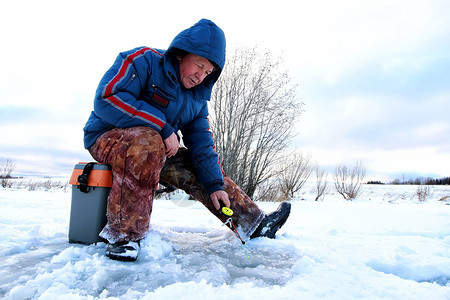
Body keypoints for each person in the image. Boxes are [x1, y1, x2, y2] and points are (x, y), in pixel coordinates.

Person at [83, 19, 291, 261]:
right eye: (199, 65)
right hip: (107, 138)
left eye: (208, 72)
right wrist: (161, 126)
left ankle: (253, 224)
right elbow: (107, 97)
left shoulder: (196, 101)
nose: (200, 76)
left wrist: (214, 185)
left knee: (195, 165)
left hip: (154, 151)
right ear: (182, 54)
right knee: (148, 141)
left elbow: (202, 147)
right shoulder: (144, 61)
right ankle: (125, 238)